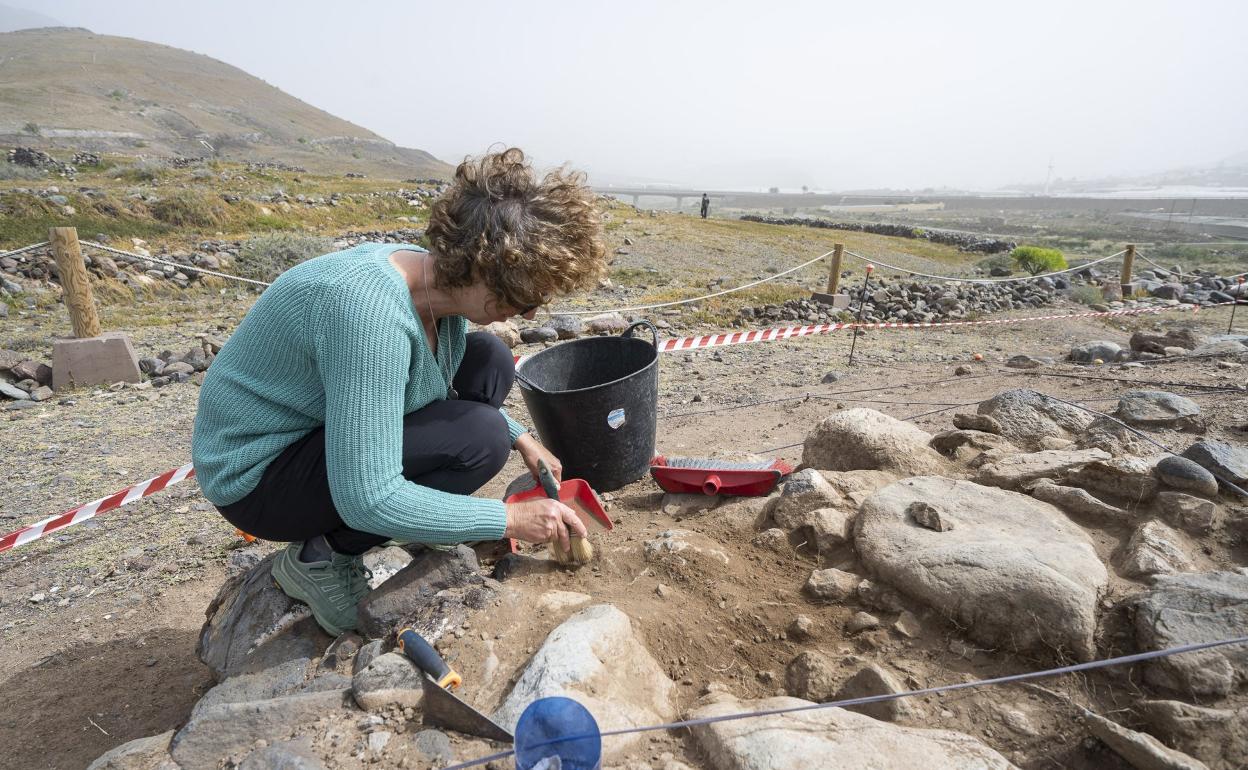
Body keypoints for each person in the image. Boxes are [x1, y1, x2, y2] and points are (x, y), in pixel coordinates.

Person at [191, 148, 607, 636]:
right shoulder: (369, 315)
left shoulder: (432, 284)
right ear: (482, 270)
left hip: (315, 430)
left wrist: (524, 438)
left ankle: (421, 516)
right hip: (258, 474)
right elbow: (367, 497)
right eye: (525, 297)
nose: (531, 314)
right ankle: (319, 559)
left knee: (490, 361)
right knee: (480, 438)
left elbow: (436, 382)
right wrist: (510, 520)